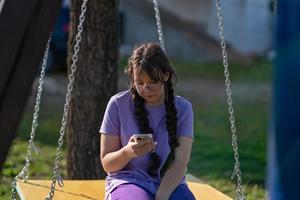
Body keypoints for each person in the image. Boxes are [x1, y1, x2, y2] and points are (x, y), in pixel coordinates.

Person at [100, 43, 196, 200]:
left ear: (166, 76)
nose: (145, 89)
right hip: (128, 181)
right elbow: (108, 164)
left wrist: (162, 196)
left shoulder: (183, 108)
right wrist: (128, 152)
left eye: (152, 82)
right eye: (140, 82)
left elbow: (180, 162)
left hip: (170, 183)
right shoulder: (117, 104)